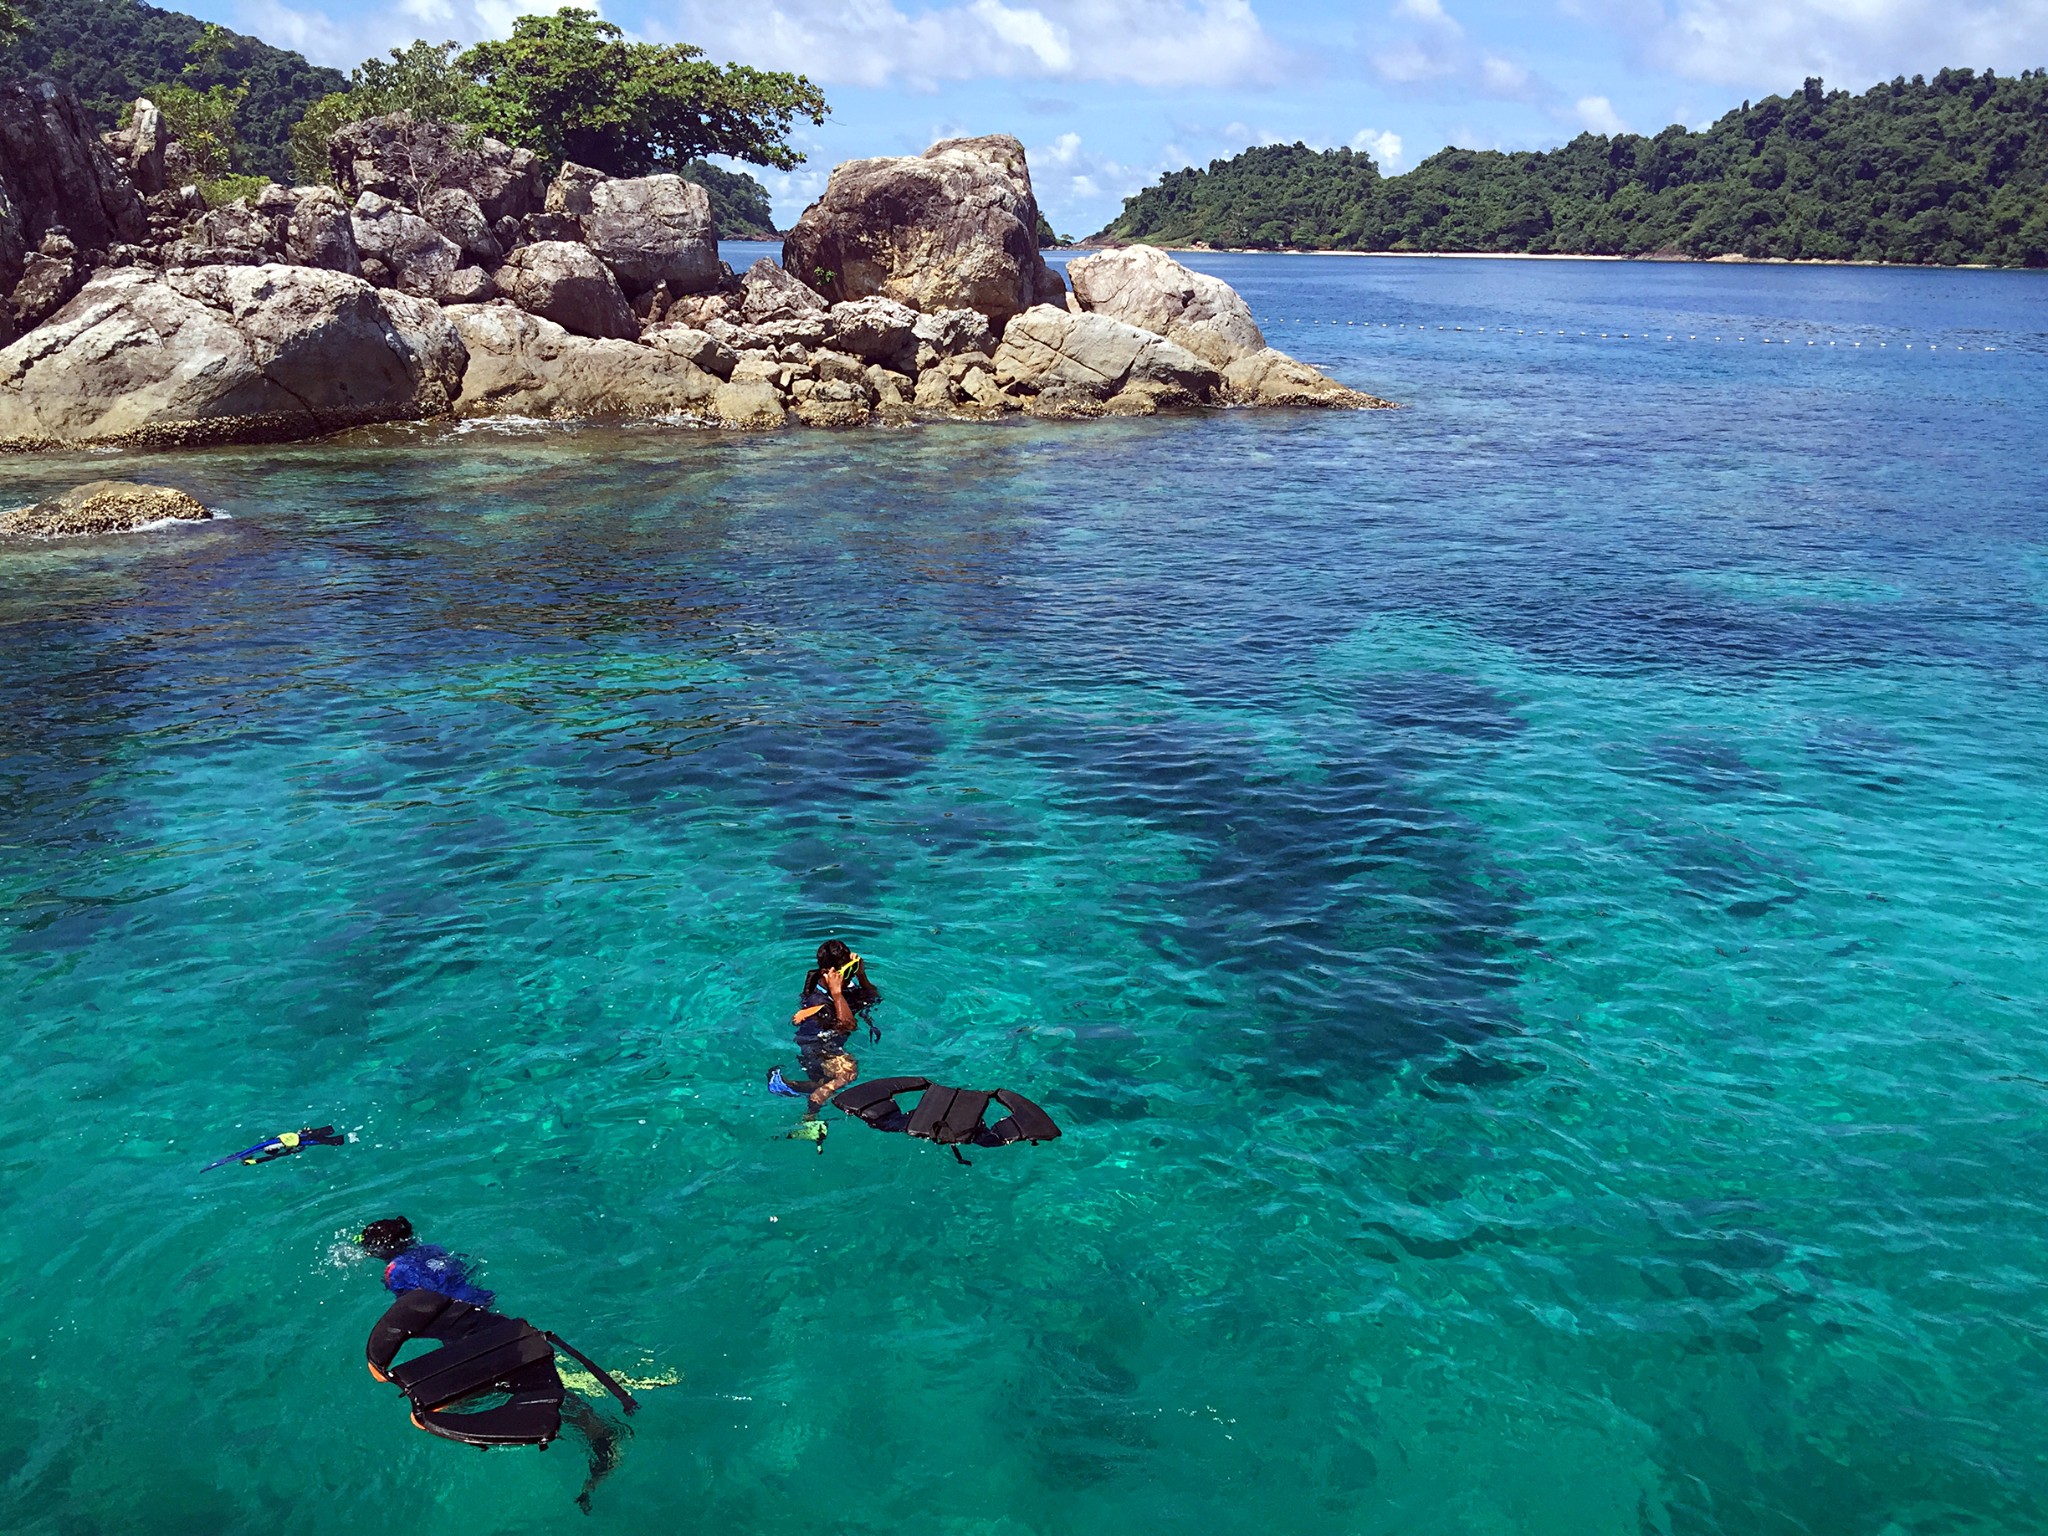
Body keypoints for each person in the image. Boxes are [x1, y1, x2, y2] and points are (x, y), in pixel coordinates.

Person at [357, 1216, 625, 1511]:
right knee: (518, 1371)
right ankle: (595, 1427)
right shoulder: (433, 1249)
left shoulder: (394, 1271)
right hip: (488, 1318)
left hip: (463, 1338)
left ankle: (599, 1431)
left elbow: (410, 1310)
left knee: (453, 1401)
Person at [786, 940, 882, 1116]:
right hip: (817, 1047)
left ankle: (791, 1086)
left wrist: (861, 975)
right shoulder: (818, 1001)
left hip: (831, 1042)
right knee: (848, 1072)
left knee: (829, 1082)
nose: (849, 978)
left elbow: (874, 997)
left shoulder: (845, 984)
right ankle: (812, 1109)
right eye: (846, 972)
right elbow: (849, 1026)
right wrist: (837, 995)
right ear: (827, 973)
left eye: (851, 969)